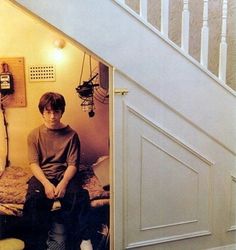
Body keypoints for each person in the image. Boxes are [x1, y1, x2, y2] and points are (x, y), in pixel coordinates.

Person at [23, 92, 93, 250]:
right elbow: (33, 163)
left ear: (62, 112)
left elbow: (73, 164)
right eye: (48, 112)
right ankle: (35, 244)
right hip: (43, 175)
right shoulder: (34, 135)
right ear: (42, 112)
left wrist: (64, 183)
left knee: (79, 197)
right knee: (33, 200)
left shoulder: (72, 135)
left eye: (56, 111)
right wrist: (46, 183)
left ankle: (85, 239)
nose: (52, 116)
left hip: (65, 174)